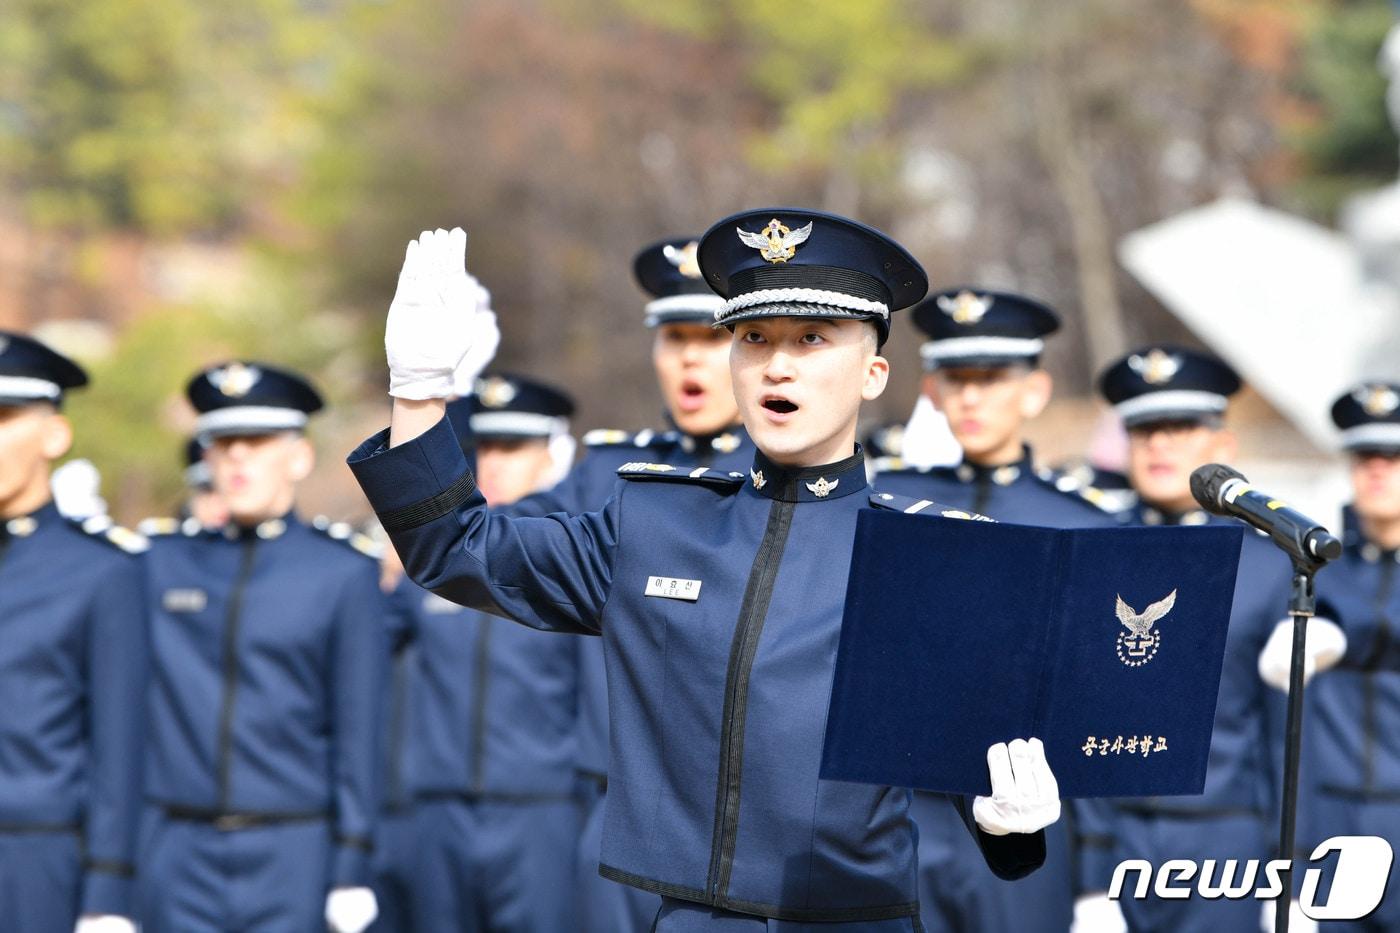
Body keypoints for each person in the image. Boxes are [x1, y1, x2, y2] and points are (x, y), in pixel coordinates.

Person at [348, 218, 1061, 930]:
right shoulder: (655, 525)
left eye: (812, 339)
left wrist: (1005, 819)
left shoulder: (927, 554)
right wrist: (419, 396)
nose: (777, 366)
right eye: (754, 338)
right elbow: (456, 545)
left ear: (874, 373)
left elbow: (987, 789)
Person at [504, 236, 754, 932]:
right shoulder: (608, 473)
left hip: (742, 826)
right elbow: (496, 538)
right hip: (614, 816)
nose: (691, 359)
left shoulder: (788, 478)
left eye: (713, 335)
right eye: (675, 338)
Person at [873, 289, 1119, 933]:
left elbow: (1100, 708)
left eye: (991, 379)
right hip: (902, 814)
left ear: (1035, 392)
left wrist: (1097, 873)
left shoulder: (1084, 524)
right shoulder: (886, 505)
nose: (971, 398)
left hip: (1032, 819)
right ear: (932, 390)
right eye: (956, 379)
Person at [139, 361, 386, 933]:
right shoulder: (158, 562)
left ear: (299, 457)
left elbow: (358, 729)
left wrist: (352, 859)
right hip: (175, 846)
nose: (237, 458)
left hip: (294, 846)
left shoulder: (339, 573)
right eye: (223, 443)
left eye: (256, 441)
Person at [1072, 346, 1292, 933]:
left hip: (1225, 841)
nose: (1160, 445)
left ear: (1223, 445)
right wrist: (1090, 878)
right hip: (1111, 837)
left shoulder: (1269, 567)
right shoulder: (1089, 555)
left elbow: (1287, 738)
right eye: (1144, 430)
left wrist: (1293, 876)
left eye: (1181, 428)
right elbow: (1077, 718)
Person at [384, 376, 583, 931]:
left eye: (512, 448)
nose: (491, 463)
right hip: (437, 808)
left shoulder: (576, 562)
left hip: (541, 809)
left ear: (552, 454)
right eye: (482, 448)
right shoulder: (432, 567)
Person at [0, 331, 147, 933]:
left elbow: (119, 745)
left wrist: (109, 889)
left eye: (5, 417)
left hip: (36, 857)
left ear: (54, 435)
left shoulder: (100, 571)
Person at [1257, 382, 1400, 931]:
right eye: (1365, 457)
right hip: (1332, 824)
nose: (1377, 470)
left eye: (1393, 456)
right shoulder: (1315, 575)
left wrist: (1345, 631)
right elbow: (1282, 735)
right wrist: (1287, 865)